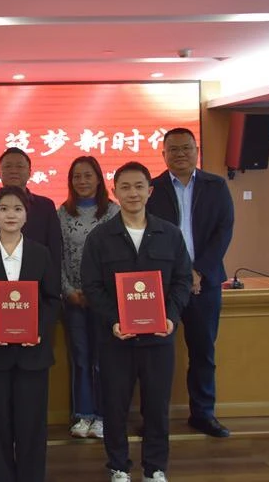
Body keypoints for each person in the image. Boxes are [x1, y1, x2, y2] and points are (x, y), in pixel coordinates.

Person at [81, 161, 192, 482]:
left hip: (159, 337)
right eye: (126, 187)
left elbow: (183, 280)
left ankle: (155, 468)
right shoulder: (100, 237)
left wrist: (170, 317)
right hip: (116, 339)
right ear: (114, 192)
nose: (133, 193)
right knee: (115, 407)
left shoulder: (170, 235)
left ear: (150, 191)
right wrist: (114, 320)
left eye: (139, 186)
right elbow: (92, 286)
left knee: (156, 407)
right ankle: (118, 467)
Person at [0, 185, 61, 482]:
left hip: (33, 353)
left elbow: (52, 299)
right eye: (4, 209)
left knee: (32, 425)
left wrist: (38, 330)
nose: (10, 215)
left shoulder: (40, 253)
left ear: (26, 216)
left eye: (17, 209)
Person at [146, 127, 235, 438]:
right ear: (163, 154)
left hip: (205, 284)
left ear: (197, 151)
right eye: (173, 149)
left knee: (203, 352)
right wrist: (177, 277)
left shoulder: (216, 186)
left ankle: (203, 414)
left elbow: (223, 231)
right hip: (163, 286)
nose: (180, 154)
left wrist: (200, 272)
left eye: (186, 148)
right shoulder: (152, 189)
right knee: (155, 354)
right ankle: (153, 418)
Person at [57, 156, 120, 439]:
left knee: (103, 359)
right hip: (74, 300)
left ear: (98, 179)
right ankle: (83, 415)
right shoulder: (62, 213)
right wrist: (68, 290)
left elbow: (118, 257)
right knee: (81, 358)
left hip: (105, 300)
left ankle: (103, 416)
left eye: (87, 175)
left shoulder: (114, 212)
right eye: (76, 176)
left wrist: (99, 293)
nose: (82, 181)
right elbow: (57, 256)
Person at [0, 148, 62, 276]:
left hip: (37, 278)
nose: (13, 170)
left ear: (29, 172)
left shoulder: (46, 206)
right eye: (8, 166)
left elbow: (54, 249)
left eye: (19, 166)